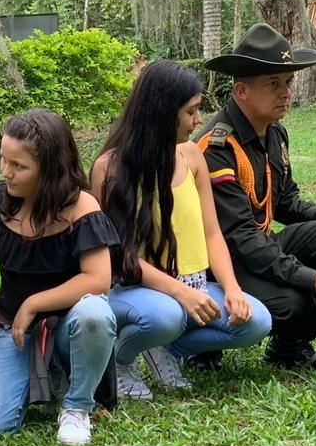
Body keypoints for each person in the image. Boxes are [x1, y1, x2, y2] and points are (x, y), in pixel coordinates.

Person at [92, 60, 272, 400]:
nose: (198, 120)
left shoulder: (191, 156)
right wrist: (180, 292)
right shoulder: (109, 168)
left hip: (196, 284)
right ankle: (121, 357)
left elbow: (211, 233)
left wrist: (232, 288)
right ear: (163, 112)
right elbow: (120, 253)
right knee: (167, 316)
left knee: (257, 322)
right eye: (191, 111)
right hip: (134, 289)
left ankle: (165, 350)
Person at [197, 23, 316, 372]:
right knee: (295, 303)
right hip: (220, 265)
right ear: (241, 91)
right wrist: (312, 279)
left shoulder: (274, 133)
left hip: (257, 249)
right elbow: (240, 238)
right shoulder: (217, 147)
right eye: (273, 84)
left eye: (287, 83)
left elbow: (283, 202)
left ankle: (289, 347)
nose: (286, 93)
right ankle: (201, 343)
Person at [0, 108, 119, 446]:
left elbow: (97, 280)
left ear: (50, 168)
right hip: (15, 332)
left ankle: (77, 406)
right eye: (4, 160)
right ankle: (49, 382)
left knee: (95, 312)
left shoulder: (82, 208)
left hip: (70, 330)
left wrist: (34, 303)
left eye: (18, 166)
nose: (6, 172)